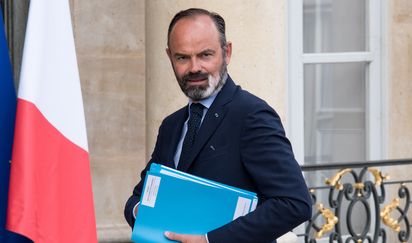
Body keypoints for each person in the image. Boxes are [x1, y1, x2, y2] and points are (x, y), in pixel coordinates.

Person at [125, 8, 312, 243]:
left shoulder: (252, 115)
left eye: (205, 55)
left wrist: (209, 240)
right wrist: (142, 211)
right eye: (182, 57)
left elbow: (295, 204)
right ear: (169, 56)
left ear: (227, 52)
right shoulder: (171, 126)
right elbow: (139, 196)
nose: (194, 68)